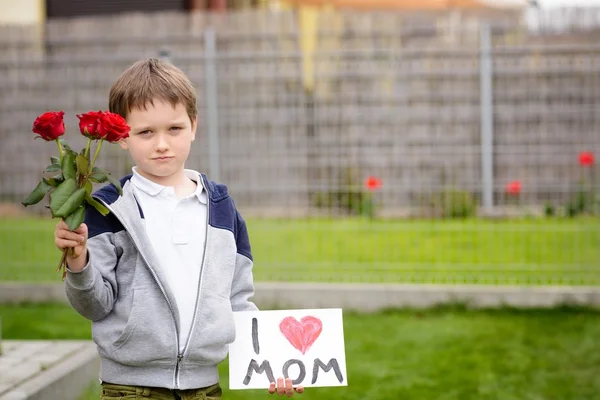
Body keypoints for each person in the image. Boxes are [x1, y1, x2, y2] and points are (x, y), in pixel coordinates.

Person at [54, 58, 304, 399]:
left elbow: (238, 300)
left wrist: (272, 364)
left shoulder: (221, 208)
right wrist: (78, 263)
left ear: (194, 125)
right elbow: (95, 305)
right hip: (129, 388)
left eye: (174, 129)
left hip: (205, 388)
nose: (161, 143)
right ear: (121, 136)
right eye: (145, 132)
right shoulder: (107, 209)